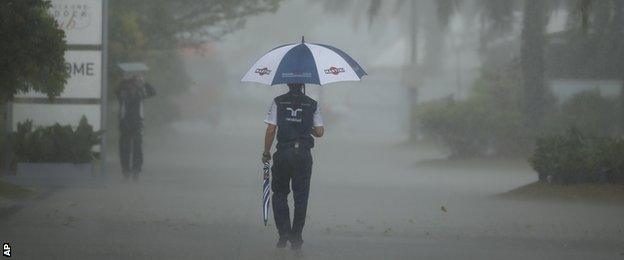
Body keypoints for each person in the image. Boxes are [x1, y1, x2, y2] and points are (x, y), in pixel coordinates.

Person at [262, 83, 324, 250]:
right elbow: (319, 132)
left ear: (288, 84)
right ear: (303, 84)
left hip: (283, 154)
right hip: (303, 155)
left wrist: (266, 152)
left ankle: (283, 233)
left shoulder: (278, 102)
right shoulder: (312, 104)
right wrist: (304, 127)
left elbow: (270, 130)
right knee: (301, 197)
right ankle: (296, 236)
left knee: (280, 194)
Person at [115, 64, 156, 181]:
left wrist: (144, 82)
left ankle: (136, 170)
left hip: (138, 121)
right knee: (125, 148)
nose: (134, 81)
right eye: (133, 78)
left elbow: (153, 92)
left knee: (137, 147)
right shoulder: (123, 88)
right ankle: (126, 170)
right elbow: (116, 91)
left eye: (137, 78)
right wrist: (124, 80)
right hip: (124, 121)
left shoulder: (141, 89)